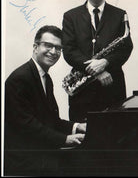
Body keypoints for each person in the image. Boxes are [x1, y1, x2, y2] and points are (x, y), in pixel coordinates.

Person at [4, 25, 87, 176]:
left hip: (38, 152)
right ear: (35, 47)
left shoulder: (45, 78)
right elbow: (26, 125)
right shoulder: (20, 78)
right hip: (23, 159)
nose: (54, 52)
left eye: (58, 48)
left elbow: (51, 120)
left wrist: (78, 126)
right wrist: (65, 139)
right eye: (48, 46)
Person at [62, 0, 133, 122]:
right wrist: (97, 70)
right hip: (82, 92)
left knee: (115, 138)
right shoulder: (70, 16)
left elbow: (126, 47)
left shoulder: (120, 14)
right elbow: (68, 50)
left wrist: (106, 62)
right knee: (84, 139)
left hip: (113, 88)